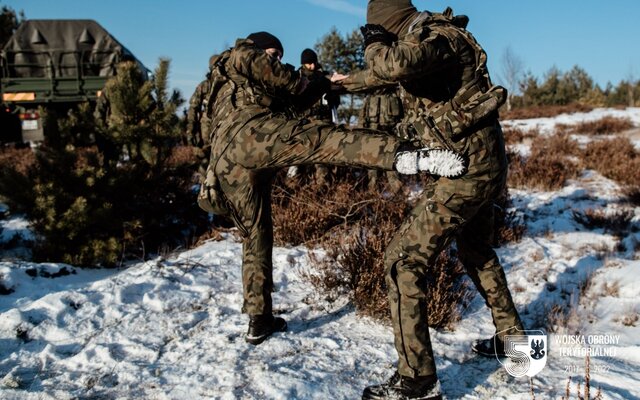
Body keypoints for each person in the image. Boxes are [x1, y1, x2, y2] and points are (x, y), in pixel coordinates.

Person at [200, 31, 464, 346]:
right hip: (252, 136)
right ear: (257, 47)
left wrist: (325, 84)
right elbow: (287, 82)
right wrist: (304, 80)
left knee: (256, 236)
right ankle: (404, 155)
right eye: (273, 53)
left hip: (227, 163)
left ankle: (259, 319)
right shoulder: (242, 52)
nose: (277, 59)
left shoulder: (225, 80)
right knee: (325, 139)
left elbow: (291, 103)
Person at [338, 1, 525, 399]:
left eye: (377, 30)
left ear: (386, 25)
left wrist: (373, 43)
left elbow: (393, 66)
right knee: (476, 250)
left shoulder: (439, 38)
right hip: (481, 164)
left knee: (402, 261)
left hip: (467, 170)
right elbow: (384, 75)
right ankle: (514, 341)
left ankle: (417, 380)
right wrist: (340, 83)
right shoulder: (422, 41)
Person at [295, 48, 341, 186]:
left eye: (314, 62)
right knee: (298, 163)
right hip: (303, 124)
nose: (312, 66)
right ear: (303, 64)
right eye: (309, 63)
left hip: (323, 123)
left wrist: (333, 96)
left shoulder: (326, 77)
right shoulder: (296, 77)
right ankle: (295, 196)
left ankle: (322, 194)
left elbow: (336, 102)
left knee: (322, 161)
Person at [358, 85, 405, 192]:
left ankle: (397, 192)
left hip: (391, 133)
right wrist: (361, 134)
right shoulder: (370, 97)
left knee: (392, 161)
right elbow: (362, 116)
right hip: (373, 133)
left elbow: (403, 116)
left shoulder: (395, 94)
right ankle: (373, 193)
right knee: (372, 162)